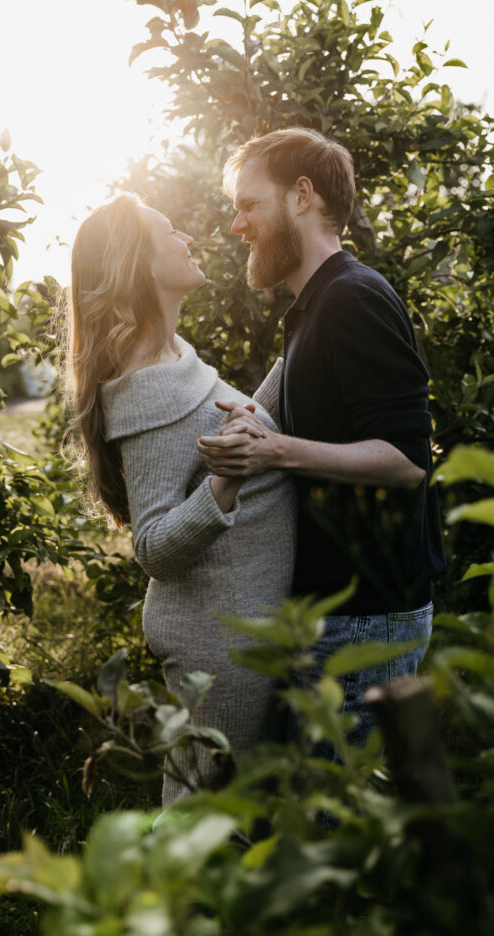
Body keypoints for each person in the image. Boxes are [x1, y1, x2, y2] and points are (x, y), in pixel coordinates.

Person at [197, 127, 446, 750]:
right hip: (337, 615)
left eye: (249, 205)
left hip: (367, 620)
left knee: (339, 807)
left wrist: (273, 452)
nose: (238, 225)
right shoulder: (315, 307)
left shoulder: (352, 298)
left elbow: (407, 460)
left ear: (301, 196)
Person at [67, 193, 296, 804]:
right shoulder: (146, 383)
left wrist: (293, 363)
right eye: (170, 231)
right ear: (136, 264)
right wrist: (227, 480)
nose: (188, 239)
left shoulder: (171, 358)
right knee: (205, 815)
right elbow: (154, 548)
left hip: (244, 624)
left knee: (240, 810)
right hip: (219, 640)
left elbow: (225, 426)